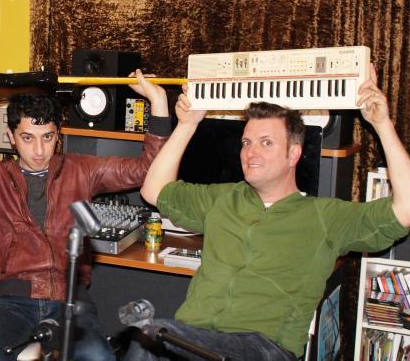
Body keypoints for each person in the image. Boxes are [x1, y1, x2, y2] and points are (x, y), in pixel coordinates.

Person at [124, 67, 410, 361]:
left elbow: (405, 209)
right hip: (194, 336)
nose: (251, 152)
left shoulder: (324, 217)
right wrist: (187, 125)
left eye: (266, 142)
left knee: (153, 336)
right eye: (246, 143)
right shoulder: (223, 199)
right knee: (146, 337)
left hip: (262, 348)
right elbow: (153, 189)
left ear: (293, 154)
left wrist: (383, 124)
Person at [0, 70, 171, 361]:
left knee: (98, 357)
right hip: (10, 299)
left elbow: (149, 168)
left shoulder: (83, 170)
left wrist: (158, 101)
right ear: (11, 137)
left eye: (48, 137)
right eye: (28, 138)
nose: (39, 150)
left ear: (57, 136)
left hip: (70, 298)